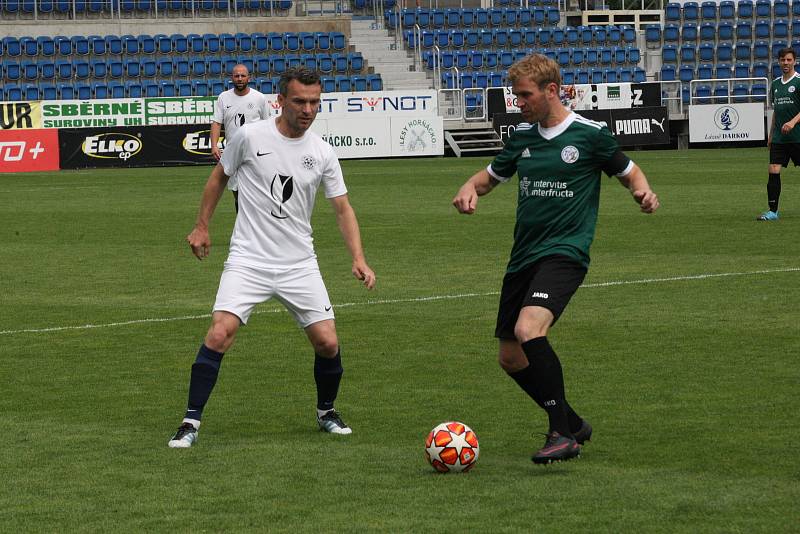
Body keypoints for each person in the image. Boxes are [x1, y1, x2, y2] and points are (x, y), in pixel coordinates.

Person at [452, 54, 659, 464]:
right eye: (515, 95)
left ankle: (561, 434)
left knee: (530, 329)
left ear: (552, 90)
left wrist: (643, 192)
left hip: (565, 253)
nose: (518, 103)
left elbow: (630, 171)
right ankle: (573, 422)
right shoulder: (523, 138)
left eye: (525, 95)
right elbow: (488, 178)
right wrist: (469, 188)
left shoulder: (590, 135)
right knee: (510, 358)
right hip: (522, 257)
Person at [168, 67, 376, 448]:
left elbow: (342, 208)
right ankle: (190, 422)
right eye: (299, 101)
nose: (308, 109)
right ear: (280, 101)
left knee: (328, 343)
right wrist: (201, 226)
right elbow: (218, 178)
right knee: (219, 333)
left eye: (314, 102)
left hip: (299, 263)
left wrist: (358, 257)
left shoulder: (322, 152)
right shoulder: (249, 137)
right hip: (249, 259)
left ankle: (326, 411)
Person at [211, 63, 270, 213]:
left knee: (257, 193)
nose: (239, 79)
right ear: (232, 78)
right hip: (233, 153)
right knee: (237, 194)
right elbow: (217, 123)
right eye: (236, 76)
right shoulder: (223, 97)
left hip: (255, 153)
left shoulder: (259, 98)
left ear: (248, 78)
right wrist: (214, 145)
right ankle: (243, 228)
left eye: (243, 76)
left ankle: (258, 228)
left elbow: (267, 125)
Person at [759, 47, 800, 221]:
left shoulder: (799, 81)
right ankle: (773, 211)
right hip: (779, 138)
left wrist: (792, 122)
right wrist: (771, 134)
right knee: (773, 169)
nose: (786, 63)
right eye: (783, 60)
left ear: (794, 61)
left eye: (789, 60)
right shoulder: (775, 84)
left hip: (798, 136)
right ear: (778, 62)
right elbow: (776, 111)